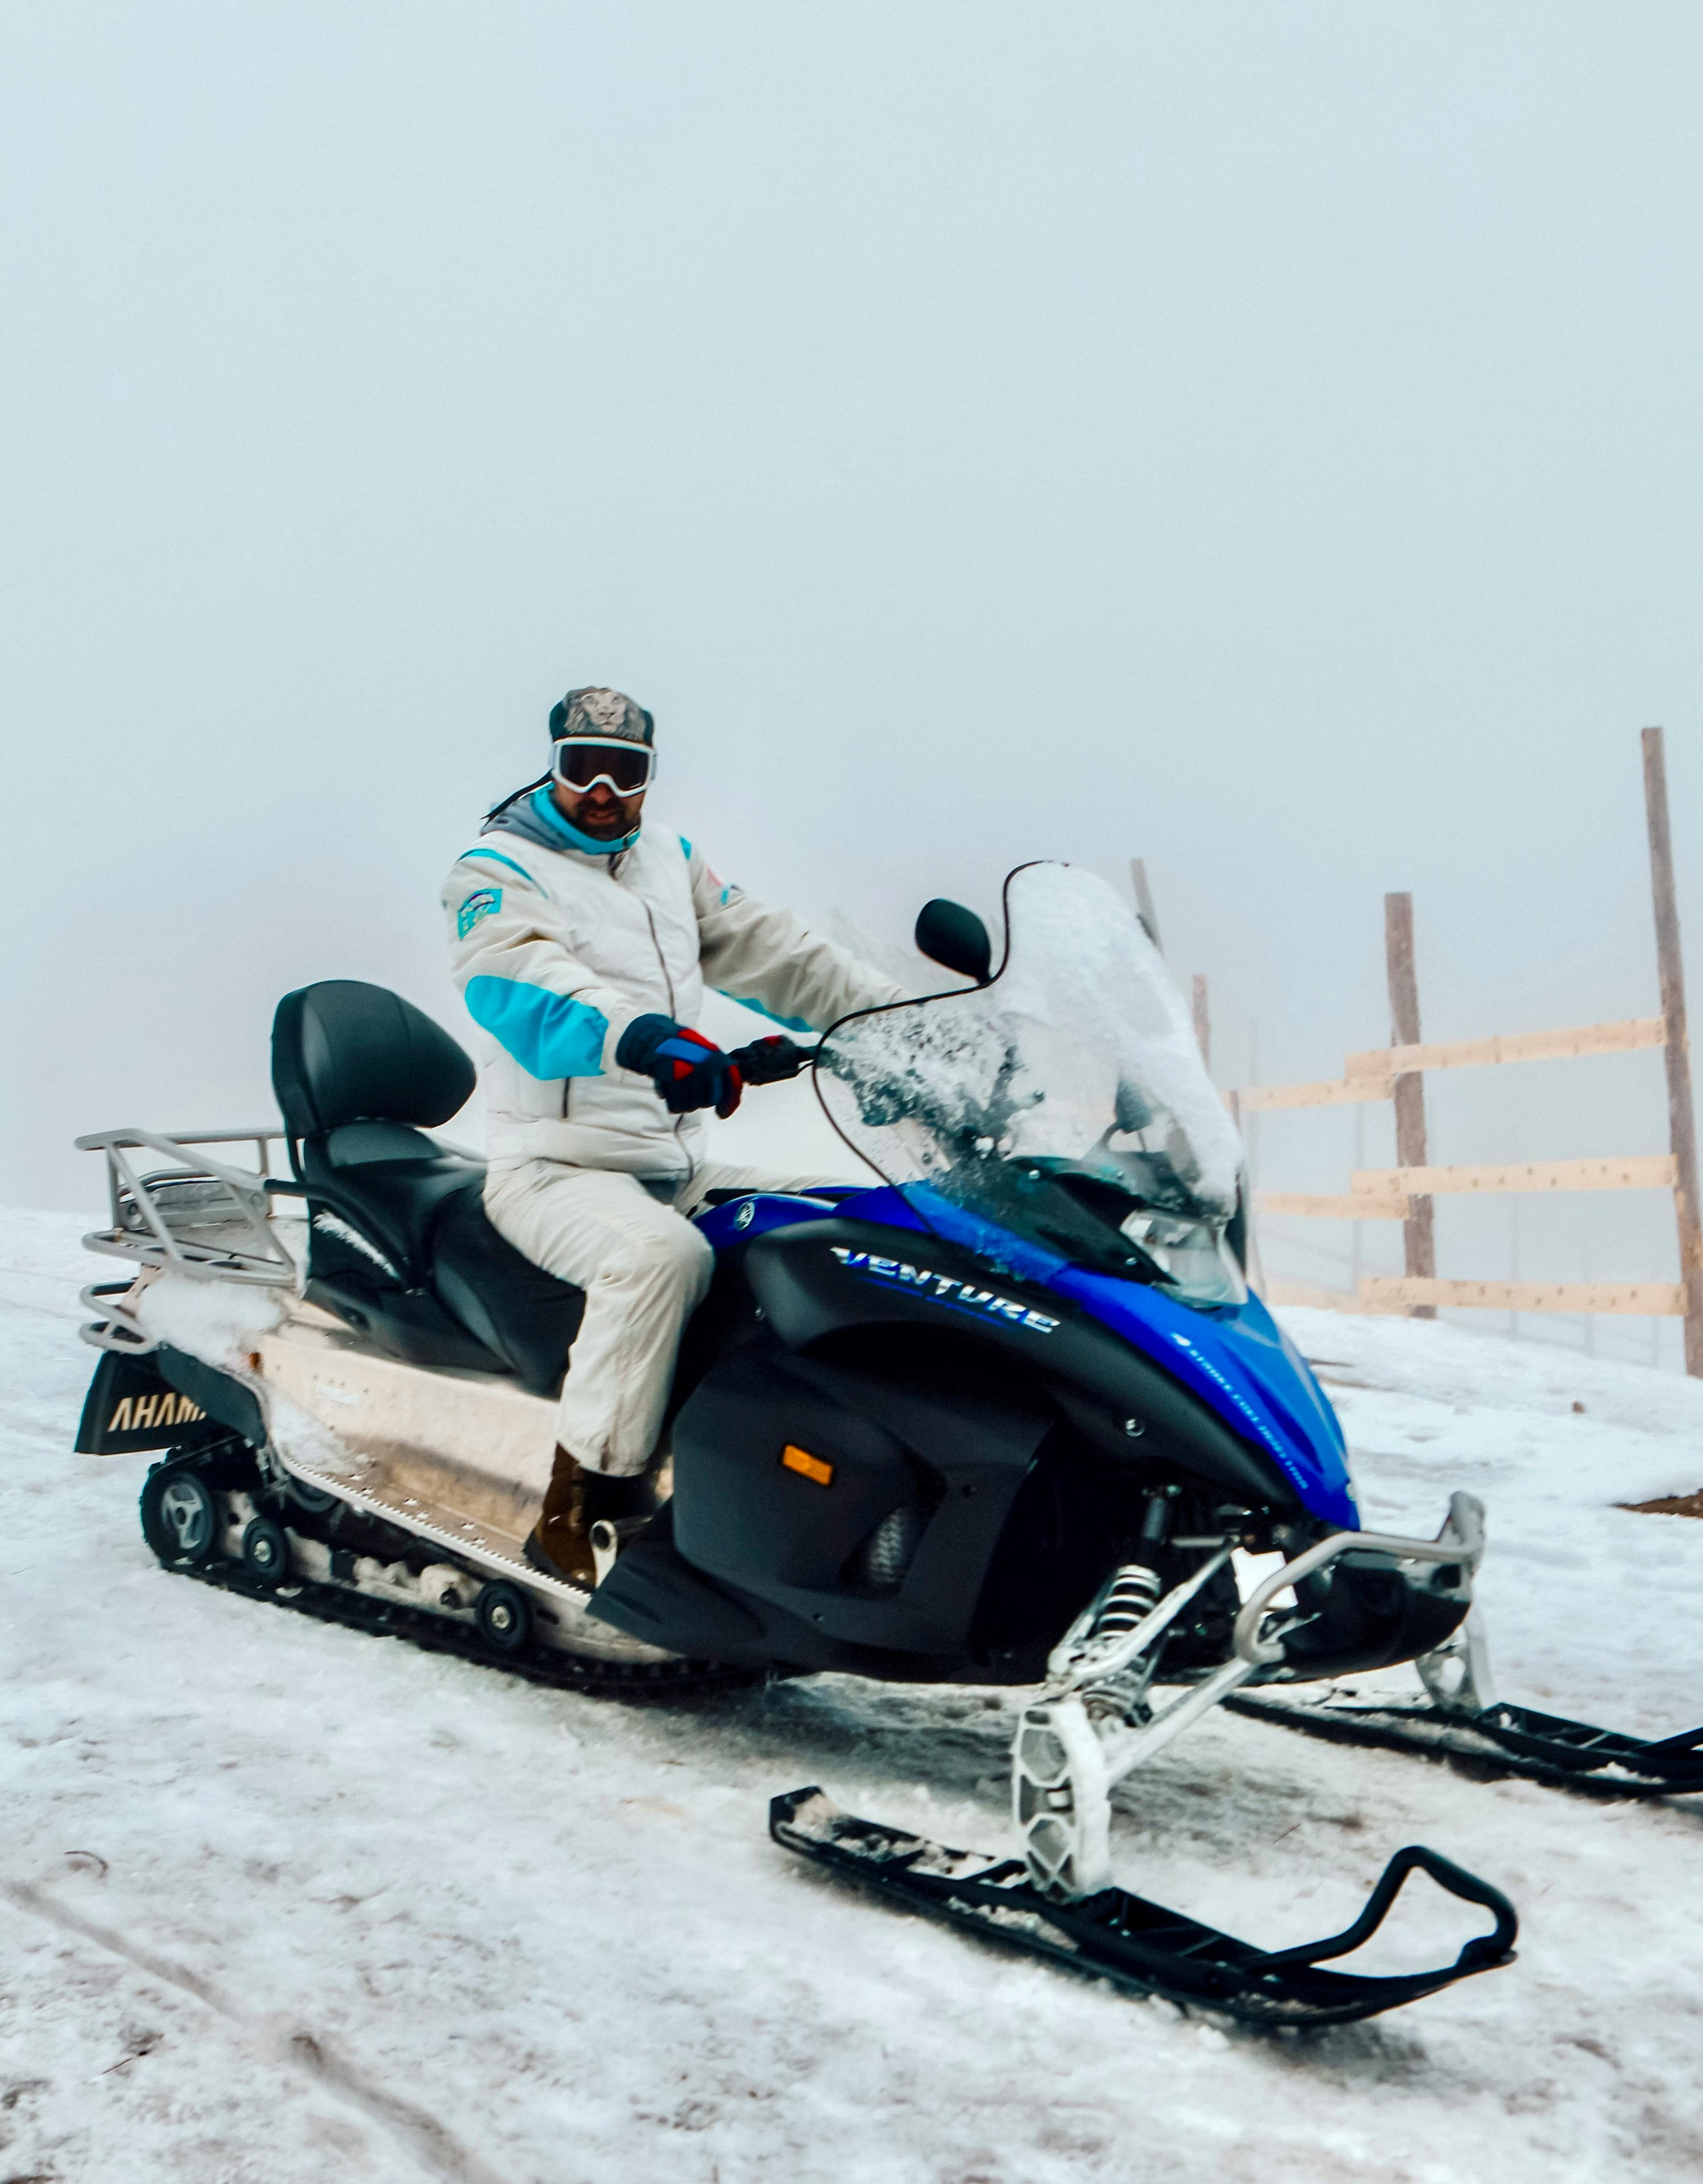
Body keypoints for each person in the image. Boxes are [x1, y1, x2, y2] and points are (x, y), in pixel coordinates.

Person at [442, 686, 905, 1584]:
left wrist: (899, 1017)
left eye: (628, 771)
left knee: (840, 1226)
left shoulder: (666, 861)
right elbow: (519, 984)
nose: (605, 789)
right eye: (584, 767)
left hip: (675, 1159)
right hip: (556, 1170)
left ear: (651, 780)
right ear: (554, 766)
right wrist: (648, 1041)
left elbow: (774, 950)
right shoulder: (496, 871)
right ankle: (582, 1508)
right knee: (661, 1260)